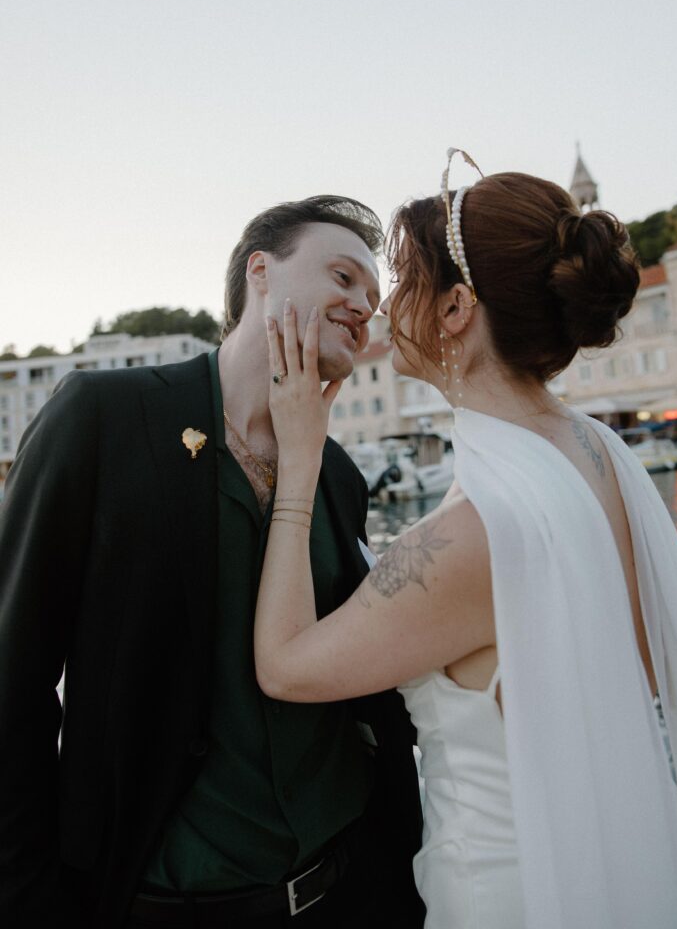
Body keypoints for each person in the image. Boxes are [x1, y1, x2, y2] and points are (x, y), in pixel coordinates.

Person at [254, 153, 677, 929]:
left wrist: (300, 459)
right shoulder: (598, 452)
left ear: (454, 307)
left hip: (507, 894)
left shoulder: (471, 535)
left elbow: (285, 667)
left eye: (404, 281)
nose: (384, 308)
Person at [0, 195, 426, 929]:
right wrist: (26, 898)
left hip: (347, 890)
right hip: (160, 902)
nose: (364, 306)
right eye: (343, 276)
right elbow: (13, 674)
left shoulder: (338, 476)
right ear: (261, 272)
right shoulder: (100, 417)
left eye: (372, 296)